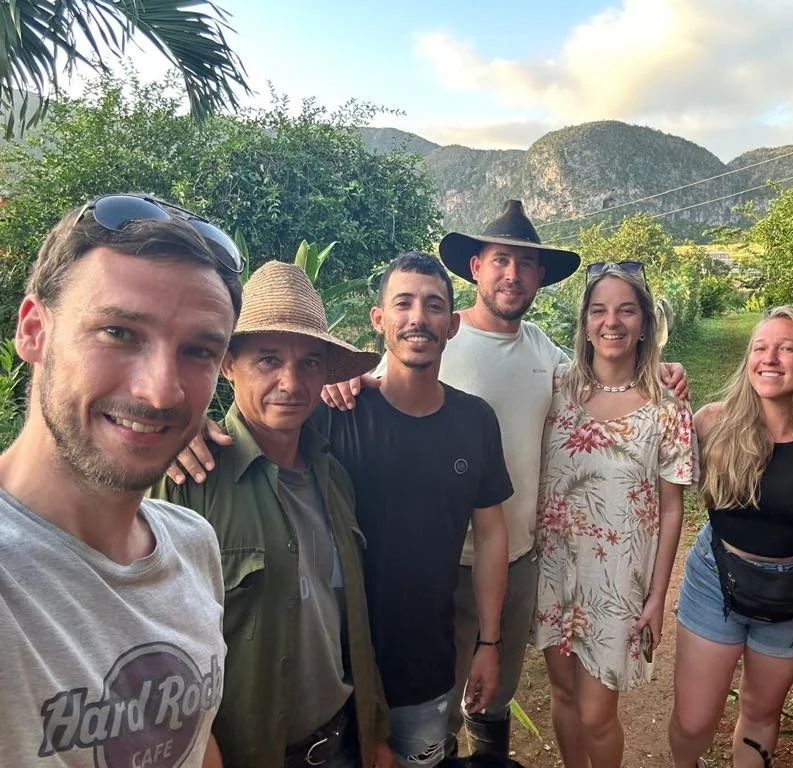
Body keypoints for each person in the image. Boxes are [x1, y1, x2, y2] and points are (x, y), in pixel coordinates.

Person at [171, 200, 689, 757]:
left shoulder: (544, 360)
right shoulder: (349, 402)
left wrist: (651, 372)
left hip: (504, 566)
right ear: (474, 272)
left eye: (525, 263)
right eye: (500, 260)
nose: (511, 274)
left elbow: (600, 378)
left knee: (479, 698)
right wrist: (190, 427)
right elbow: (277, 415)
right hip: (386, 607)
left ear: (538, 278)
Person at [0, 193, 244, 766]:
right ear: (34, 331)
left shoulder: (192, 545)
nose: (161, 392)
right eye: (119, 332)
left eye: (198, 351)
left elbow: (194, 741)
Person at [150, 261, 390, 768]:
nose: (290, 381)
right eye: (267, 359)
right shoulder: (190, 481)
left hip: (342, 742)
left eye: (308, 363)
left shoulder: (333, 476)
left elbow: (350, 626)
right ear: (228, 364)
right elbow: (153, 653)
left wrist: (373, 735)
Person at [312, 252, 511, 768]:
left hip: (426, 661)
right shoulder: (336, 413)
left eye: (433, 305)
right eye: (402, 303)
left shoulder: (475, 421)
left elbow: (491, 535)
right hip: (334, 667)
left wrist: (489, 641)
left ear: (452, 324)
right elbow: (257, 430)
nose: (417, 317)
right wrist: (198, 432)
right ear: (379, 320)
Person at [669, 307, 793, 768]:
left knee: (760, 713)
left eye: (786, 348)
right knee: (695, 721)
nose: (770, 358)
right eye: (760, 347)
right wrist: (656, 370)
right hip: (715, 579)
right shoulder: (711, 425)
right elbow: (647, 459)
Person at [533, 261, 695, 768]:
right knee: (562, 695)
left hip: (618, 582)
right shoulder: (556, 387)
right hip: (553, 571)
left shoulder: (668, 407)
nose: (612, 322)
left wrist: (657, 596)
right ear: (584, 323)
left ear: (645, 323)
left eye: (626, 310)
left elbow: (672, 510)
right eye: (599, 310)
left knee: (598, 714)